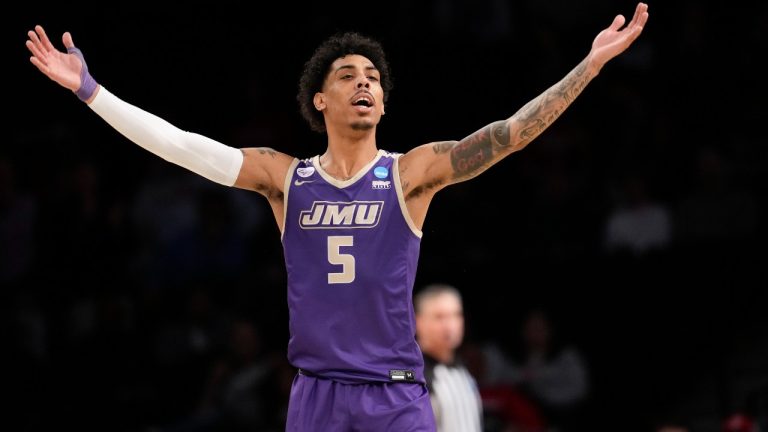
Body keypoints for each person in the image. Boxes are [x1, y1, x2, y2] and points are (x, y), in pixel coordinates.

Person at [25, 4, 649, 431]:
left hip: (395, 394)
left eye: (374, 77)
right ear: (319, 100)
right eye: (348, 75)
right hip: (316, 392)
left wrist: (588, 65)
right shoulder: (285, 178)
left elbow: (508, 135)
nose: (365, 83)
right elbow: (183, 145)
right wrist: (90, 91)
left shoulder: (410, 173)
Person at [415, 284, 483, 432]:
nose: (450, 326)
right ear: (418, 321)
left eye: (456, 315)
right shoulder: (413, 374)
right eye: (440, 317)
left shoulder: (462, 368)